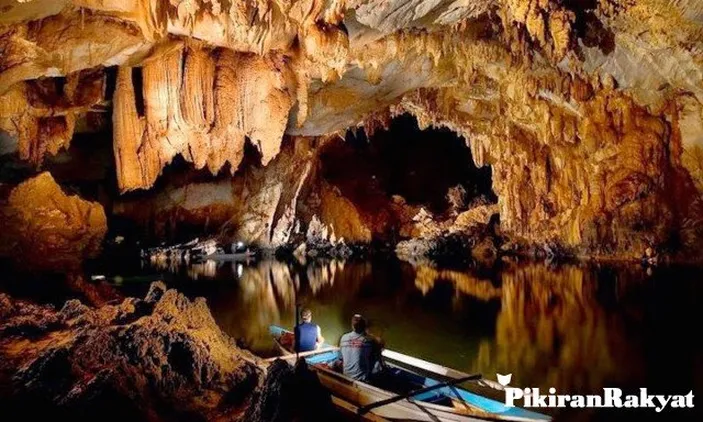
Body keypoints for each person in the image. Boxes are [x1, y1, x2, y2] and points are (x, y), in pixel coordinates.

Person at [339, 314, 384, 382]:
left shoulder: (343, 337)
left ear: (352, 326)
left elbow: (342, 357)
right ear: (365, 327)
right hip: (362, 379)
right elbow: (380, 344)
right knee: (377, 361)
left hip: (346, 375)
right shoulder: (370, 340)